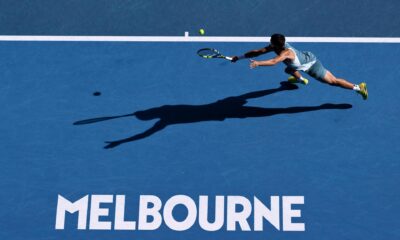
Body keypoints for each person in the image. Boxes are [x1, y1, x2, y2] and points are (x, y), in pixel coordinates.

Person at [230, 33, 368, 100]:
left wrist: (258, 63)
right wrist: (239, 57)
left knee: (333, 82)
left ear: (278, 45)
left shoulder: (286, 53)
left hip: (311, 65)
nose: (269, 44)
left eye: (271, 43)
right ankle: (301, 80)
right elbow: (257, 52)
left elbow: (273, 62)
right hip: (299, 61)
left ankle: (358, 87)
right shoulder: (275, 46)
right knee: (288, 69)